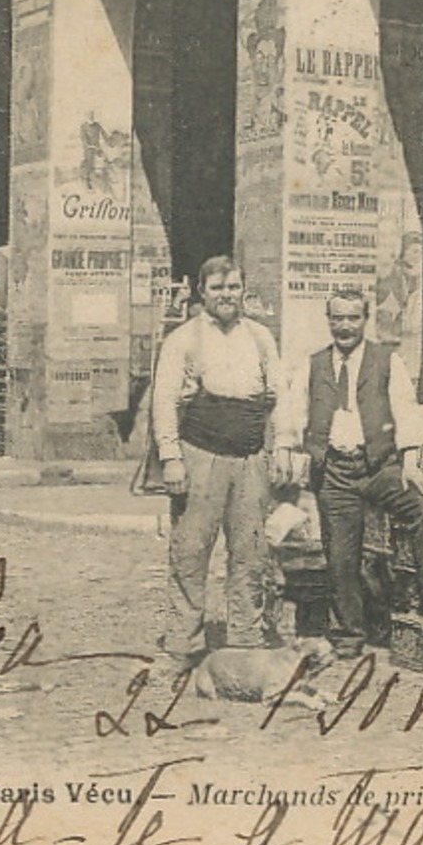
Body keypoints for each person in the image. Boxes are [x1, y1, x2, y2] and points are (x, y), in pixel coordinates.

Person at [278, 289, 423, 654]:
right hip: (335, 472)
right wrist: (286, 451)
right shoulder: (315, 364)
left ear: (365, 319)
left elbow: (406, 413)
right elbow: (293, 413)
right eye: (337, 318)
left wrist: (410, 461)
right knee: (341, 558)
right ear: (329, 320)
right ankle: (350, 635)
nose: (344, 326)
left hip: (378, 467)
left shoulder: (386, 361)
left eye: (352, 317)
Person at [151, 257, 288, 655]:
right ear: (202, 292)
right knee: (190, 551)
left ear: (244, 290)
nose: (226, 296)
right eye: (217, 289)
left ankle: (245, 638)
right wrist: (171, 456)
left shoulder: (261, 337)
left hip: (250, 460)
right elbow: (163, 400)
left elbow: (280, 396)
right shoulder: (184, 339)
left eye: (233, 288)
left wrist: (282, 447)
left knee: (250, 553)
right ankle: (184, 642)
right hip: (200, 457)